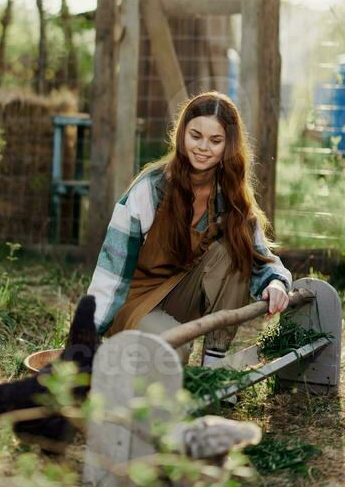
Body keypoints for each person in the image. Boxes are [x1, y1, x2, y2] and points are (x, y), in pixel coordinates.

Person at [88, 91, 292, 365]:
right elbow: (111, 268)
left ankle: (213, 364)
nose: (203, 147)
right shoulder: (151, 189)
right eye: (195, 136)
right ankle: (137, 346)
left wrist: (277, 282)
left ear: (228, 146)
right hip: (135, 301)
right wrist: (86, 335)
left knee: (233, 251)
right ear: (182, 134)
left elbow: (259, 255)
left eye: (215, 140)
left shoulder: (230, 195)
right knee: (175, 353)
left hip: (179, 294)